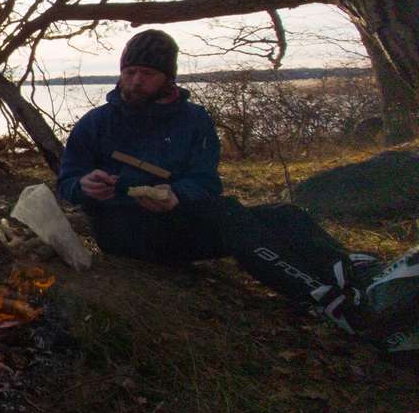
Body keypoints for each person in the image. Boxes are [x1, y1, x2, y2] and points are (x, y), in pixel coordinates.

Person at [56, 29, 417, 356]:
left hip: (178, 218)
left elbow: (207, 183)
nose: (134, 82)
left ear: (168, 78)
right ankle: (339, 305)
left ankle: (357, 274)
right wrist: (85, 187)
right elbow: (68, 182)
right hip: (122, 230)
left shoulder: (193, 121)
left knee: (284, 215)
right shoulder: (96, 123)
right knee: (229, 218)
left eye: (146, 74)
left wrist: (177, 194)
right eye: (129, 72)